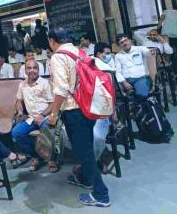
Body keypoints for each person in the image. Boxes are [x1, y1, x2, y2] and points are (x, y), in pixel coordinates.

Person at [47, 27, 110, 207]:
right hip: (88, 108)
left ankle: (101, 195)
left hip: (74, 111)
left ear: (52, 41)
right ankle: (86, 178)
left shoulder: (58, 57)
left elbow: (60, 90)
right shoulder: (79, 52)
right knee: (86, 149)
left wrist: (54, 113)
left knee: (85, 153)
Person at [12, 59, 57, 172]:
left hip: (45, 116)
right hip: (31, 118)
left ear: (38, 70)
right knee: (16, 133)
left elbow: (52, 103)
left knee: (47, 130)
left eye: (35, 68)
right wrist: (20, 112)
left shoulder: (45, 83)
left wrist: (42, 115)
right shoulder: (22, 84)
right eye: (29, 68)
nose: (32, 70)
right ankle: (36, 156)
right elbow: (18, 101)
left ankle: (51, 159)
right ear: (25, 70)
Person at [115, 33, 153, 100]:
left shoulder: (139, 49)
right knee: (116, 94)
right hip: (126, 81)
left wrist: (150, 52)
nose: (124, 43)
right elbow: (118, 72)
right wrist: (123, 82)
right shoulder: (118, 56)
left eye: (126, 40)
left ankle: (137, 103)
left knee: (141, 95)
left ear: (130, 41)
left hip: (141, 78)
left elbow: (148, 52)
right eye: (121, 42)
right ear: (119, 45)